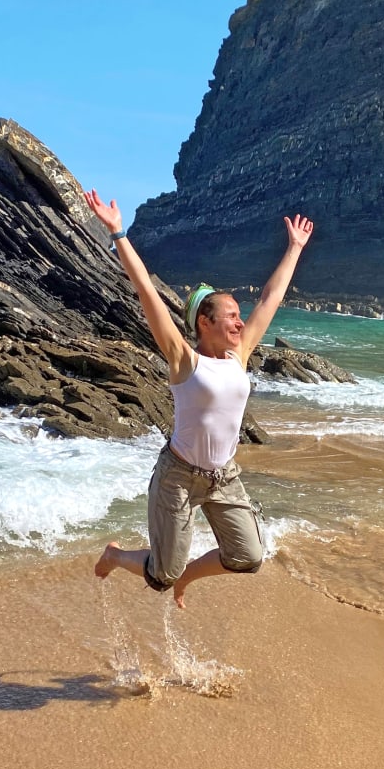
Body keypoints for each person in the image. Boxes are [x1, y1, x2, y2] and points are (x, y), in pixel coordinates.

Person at [84, 189, 314, 608]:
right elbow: (147, 295)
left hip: (223, 476)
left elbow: (270, 299)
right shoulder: (183, 360)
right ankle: (117, 556)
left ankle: (188, 575)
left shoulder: (238, 355)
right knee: (160, 576)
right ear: (204, 323)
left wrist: (294, 248)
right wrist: (118, 232)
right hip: (179, 477)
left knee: (248, 557)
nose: (240, 322)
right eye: (230, 316)